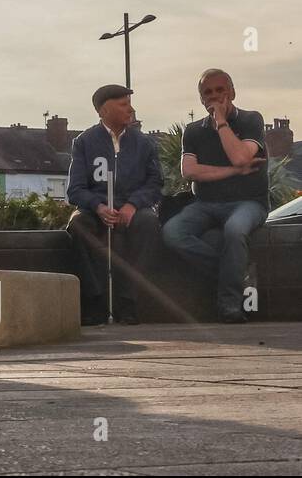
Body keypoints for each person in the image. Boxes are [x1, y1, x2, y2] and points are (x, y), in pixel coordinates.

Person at [162, 69, 270, 323]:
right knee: (173, 233)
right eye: (207, 92)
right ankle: (235, 271)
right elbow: (190, 171)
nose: (214, 96)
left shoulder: (251, 120)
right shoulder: (194, 131)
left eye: (220, 90)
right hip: (206, 204)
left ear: (232, 92)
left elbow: (241, 156)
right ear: (201, 98)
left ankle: (229, 305)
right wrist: (233, 171)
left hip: (249, 202)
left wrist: (221, 123)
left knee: (234, 230)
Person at [65, 85, 164, 325]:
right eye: (124, 104)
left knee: (149, 223)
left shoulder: (145, 143)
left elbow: (155, 183)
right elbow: (75, 190)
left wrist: (133, 204)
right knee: (77, 225)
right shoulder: (84, 142)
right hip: (95, 210)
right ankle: (94, 302)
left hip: (133, 209)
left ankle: (129, 301)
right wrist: (98, 206)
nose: (131, 109)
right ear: (105, 109)